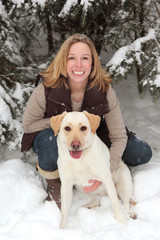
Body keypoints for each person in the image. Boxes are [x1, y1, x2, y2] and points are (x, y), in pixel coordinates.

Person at [21, 33, 152, 208]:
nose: (78, 64)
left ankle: (95, 167)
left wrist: (106, 170)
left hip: (91, 135)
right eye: (72, 58)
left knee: (140, 152)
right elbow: (28, 125)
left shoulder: (104, 90)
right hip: (55, 137)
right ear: (63, 61)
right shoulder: (45, 89)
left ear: (92, 63)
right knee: (51, 142)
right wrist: (60, 123)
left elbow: (119, 136)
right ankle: (55, 179)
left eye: (85, 58)